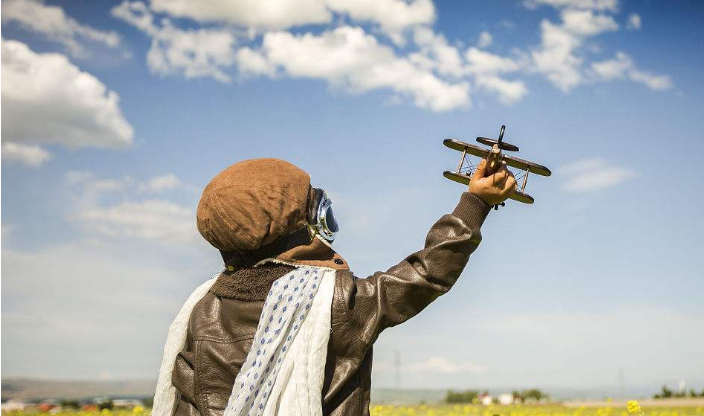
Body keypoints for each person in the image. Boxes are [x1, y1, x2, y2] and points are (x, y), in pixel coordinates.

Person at [153, 156, 517, 416]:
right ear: (298, 227)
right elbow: (425, 274)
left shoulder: (201, 307)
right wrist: (475, 203)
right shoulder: (334, 301)